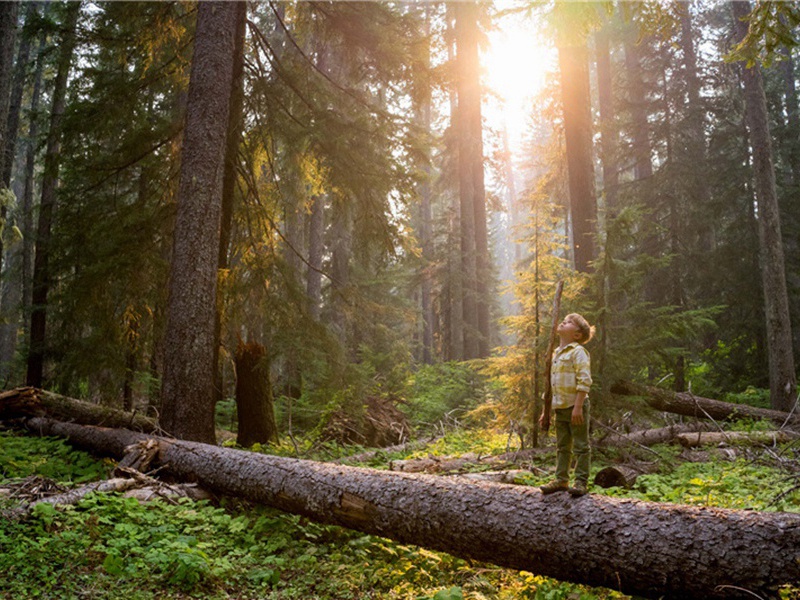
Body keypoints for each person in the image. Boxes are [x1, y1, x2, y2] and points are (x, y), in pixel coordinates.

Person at [539, 312, 595, 497]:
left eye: (570, 322)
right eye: (565, 319)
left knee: (581, 445)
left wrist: (578, 406)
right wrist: (545, 411)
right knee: (562, 446)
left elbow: (584, 380)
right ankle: (561, 479)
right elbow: (552, 384)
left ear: (577, 335)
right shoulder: (555, 353)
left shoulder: (578, 352)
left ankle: (581, 481)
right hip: (560, 407)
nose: (564, 321)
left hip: (575, 407)